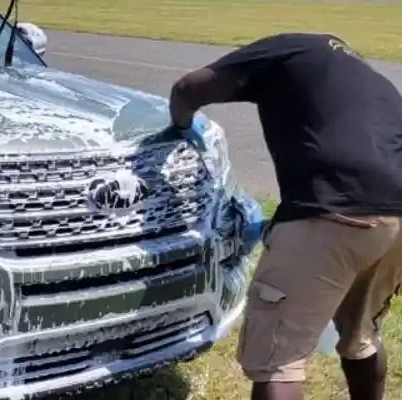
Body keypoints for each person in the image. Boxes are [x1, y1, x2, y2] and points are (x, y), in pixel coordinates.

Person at [168, 32, 402, 400]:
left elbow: (189, 88)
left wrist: (181, 127)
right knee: (361, 338)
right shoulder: (377, 84)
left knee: (279, 361)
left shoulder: (294, 48)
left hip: (331, 212)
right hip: (394, 224)